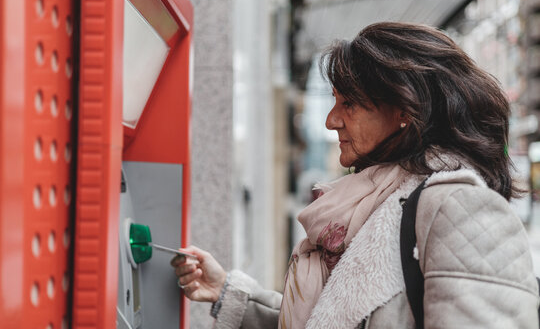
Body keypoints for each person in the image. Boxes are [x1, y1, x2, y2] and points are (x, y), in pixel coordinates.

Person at [171, 22, 540, 328]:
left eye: (348, 102)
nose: (330, 121)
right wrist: (230, 293)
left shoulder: (458, 207)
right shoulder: (375, 202)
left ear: (404, 109)